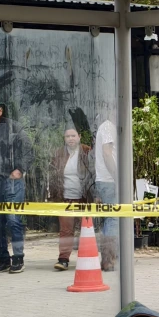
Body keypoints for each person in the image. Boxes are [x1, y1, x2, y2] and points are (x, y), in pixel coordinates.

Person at [0, 99, 30, 274]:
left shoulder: (13, 127)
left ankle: (18, 258)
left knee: (13, 220)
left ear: (0, 111)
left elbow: (27, 149)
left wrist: (20, 169)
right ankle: (3, 258)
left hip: (12, 181)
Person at [47, 127, 94, 271]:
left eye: (73, 136)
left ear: (79, 137)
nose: (71, 139)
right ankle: (63, 259)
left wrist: (95, 194)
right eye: (67, 136)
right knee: (66, 230)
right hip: (64, 197)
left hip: (84, 198)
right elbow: (53, 176)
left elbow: (94, 172)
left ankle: (87, 259)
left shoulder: (87, 151)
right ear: (64, 138)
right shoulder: (59, 153)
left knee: (86, 229)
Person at [93, 112, 119, 271]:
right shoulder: (108, 127)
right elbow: (107, 152)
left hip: (105, 180)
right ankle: (108, 259)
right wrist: (117, 176)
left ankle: (109, 257)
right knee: (112, 219)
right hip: (109, 180)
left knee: (110, 219)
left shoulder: (107, 127)